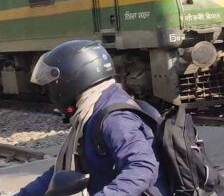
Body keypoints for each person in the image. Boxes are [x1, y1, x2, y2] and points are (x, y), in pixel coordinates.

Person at [16, 40, 169, 196]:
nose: (49, 91)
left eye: (51, 85)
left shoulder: (114, 118)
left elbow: (142, 166)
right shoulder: (93, 110)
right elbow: (66, 170)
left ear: (71, 79)